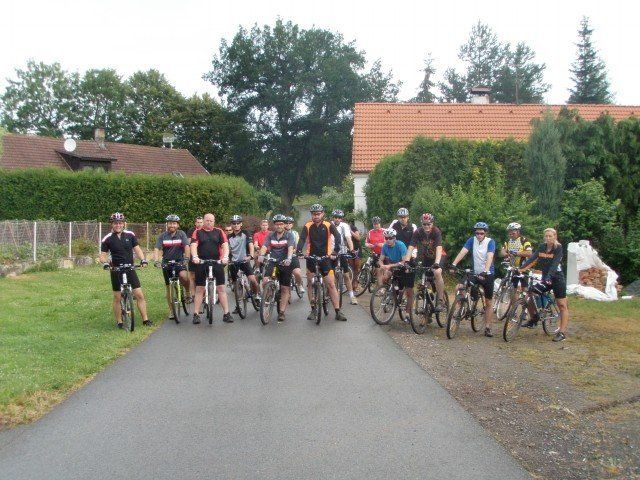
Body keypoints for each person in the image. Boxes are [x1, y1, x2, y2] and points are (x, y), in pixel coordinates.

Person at [100, 212, 151, 328]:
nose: (118, 225)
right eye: (115, 223)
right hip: (116, 270)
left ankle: (145, 320)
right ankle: (119, 321)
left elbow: (137, 250)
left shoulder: (130, 235)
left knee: (139, 295)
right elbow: (102, 256)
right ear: (112, 224)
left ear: (123, 224)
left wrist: (143, 260)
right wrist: (106, 263)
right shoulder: (107, 239)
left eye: (120, 223)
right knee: (117, 297)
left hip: (130, 268)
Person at [296, 204, 346, 322]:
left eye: (318, 214)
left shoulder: (328, 225)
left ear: (322, 214)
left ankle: (338, 311)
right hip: (311, 257)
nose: (316, 216)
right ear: (311, 215)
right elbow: (302, 239)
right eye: (314, 214)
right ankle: (313, 309)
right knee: (310, 283)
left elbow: (338, 237)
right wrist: (299, 251)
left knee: (331, 284)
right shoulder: (308, 225)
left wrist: (335, 251)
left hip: (325, 258)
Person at [519, 228, 569, 342]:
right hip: (546, 278)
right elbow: (532, 259)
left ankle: (562, 333)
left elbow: (555, 264)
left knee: (562, 304)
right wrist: (520, 269)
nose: (548, 238)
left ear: (555, 237)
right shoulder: (542, 247)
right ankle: (534, 318)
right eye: (546, 236)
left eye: (550, 236)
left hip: (557, 278)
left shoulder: (558, 248)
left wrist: (549, 276)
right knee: (530, 294)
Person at [449, 222, 496, 337]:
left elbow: (490, 256)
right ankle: (460, 306)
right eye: (477, 233)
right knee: (459, 287)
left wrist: (485, 271)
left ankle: (488, 327)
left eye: (481, 233)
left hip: (487, 274)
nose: (479, 235)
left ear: (485, 233)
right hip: (475, 273)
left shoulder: (490, 242)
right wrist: (454, 264)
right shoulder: (472, 240)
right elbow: (463, 252)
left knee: (488, 302)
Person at [190, 213, 231, 324]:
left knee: (221, 288)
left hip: (216, 262)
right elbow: (193, 245)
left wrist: (225, 257)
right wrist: (195, 257)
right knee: (199, 289)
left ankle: (226, 313)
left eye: (211, 221)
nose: (209, 222)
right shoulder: (198, 232)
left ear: (214, 221)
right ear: (203, 221)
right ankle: (196, 314)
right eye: (207, 220)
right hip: (202, 262)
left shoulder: (219, 232)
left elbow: (225, 245)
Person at [405, 213, 447, 311]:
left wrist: (437, 263)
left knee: (437, 272)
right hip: (427, 257)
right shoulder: (418, 232)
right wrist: (406, 261)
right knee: (425, 280)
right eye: (424, 224)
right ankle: (428, 304)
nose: (426, 226)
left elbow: (439, 248)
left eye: (429, 224)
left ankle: (441, 300)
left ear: (432, 223)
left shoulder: (436, 231)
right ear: (421, 224)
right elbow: (411, 246)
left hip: (439, 256)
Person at [258, 214, 295, 322]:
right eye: (277, 224)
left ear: (284, 225)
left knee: (284, 288)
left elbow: (290, 247)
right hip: (273, 261)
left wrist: (289, 258)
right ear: (274, 225)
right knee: (265, 280)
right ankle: (268, 296)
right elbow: (264, 246)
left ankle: (282, 312)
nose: (279, 226)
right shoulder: (270, 235)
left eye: (281, 224)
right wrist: (261, 255)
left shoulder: (289, 235)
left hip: (285, 262)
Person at [153, 214, 190, 321]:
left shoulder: (181, 234)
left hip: (179, 262)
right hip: (167, 263)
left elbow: (186, 246)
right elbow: (156, 249)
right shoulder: (162, 236)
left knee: (184, 276)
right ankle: (171, 311)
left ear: (177, 225)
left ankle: (187, 291)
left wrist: (186, 258)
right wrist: (156, 261)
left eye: (174, 223)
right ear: (167, 224)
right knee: (168, 287)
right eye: (170, 223)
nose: (172, 225)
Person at [378, 228, 413, 319]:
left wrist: (390, 265)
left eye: (390, 238)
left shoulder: (400, 245)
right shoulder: (385, 246)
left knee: (408, 290)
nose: (388, 240)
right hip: (394, 267)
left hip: (404, 267)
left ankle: (407, 313)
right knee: (384, 274)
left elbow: (404, 261)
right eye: (386, 238)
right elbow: (381, 259)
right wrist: (382, 265)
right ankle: (385, 289)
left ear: (394, 238)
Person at [227, 214, 260, 311]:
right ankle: (238, 305)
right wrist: (226, 258)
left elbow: (250, 244)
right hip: (233, 262)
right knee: (236, 285)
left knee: (253, 280)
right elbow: (226, 249)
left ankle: (257, 295)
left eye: (238, 223)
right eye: (234, 223)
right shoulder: (228, 237)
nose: (236, 225)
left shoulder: (246, 233)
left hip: (244, 261)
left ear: (241, 224)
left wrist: (251, 256)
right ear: (231, 225)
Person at [331, 209, 358, 305]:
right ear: (333, 218)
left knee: (346, 275)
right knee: (331, 275)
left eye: (339, 218)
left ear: (341, 219)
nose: (337, 219)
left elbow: (348, 238)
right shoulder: (329, 225)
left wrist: (352, 250)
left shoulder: (345, 226)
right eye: (335, 217)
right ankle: (330, 293)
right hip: (331, 252)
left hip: (342, 251)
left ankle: (352, 296)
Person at [285, 216, 305, 293]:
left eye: (290, 223)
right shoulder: (280, 233)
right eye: (286, 223)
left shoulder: (295, 233)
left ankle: (299, 285)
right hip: (282, 256)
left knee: (297, 273)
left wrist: (295, 251)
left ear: (292, 224)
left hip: (293, 255)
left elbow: (297, 245)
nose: (288, 224)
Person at [186, 216, 204, 303]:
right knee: (192, 276)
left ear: (203, 223)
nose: (199, 224)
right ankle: (193, 295)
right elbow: (189, 243)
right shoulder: (191, 231)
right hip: (193, 255)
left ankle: (204, 294)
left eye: (201, 222)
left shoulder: (205, 230)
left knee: (203, 275)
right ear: (195, 223)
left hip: (203, 255)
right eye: (198, 222)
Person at [349, 220, 362, 291]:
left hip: (357, 249)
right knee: (351, 267)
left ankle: (356, 284)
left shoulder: (353, 228)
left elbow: (358, 237)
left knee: (357, 267)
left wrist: (350, 231)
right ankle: (351, 284)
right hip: (349, 249)